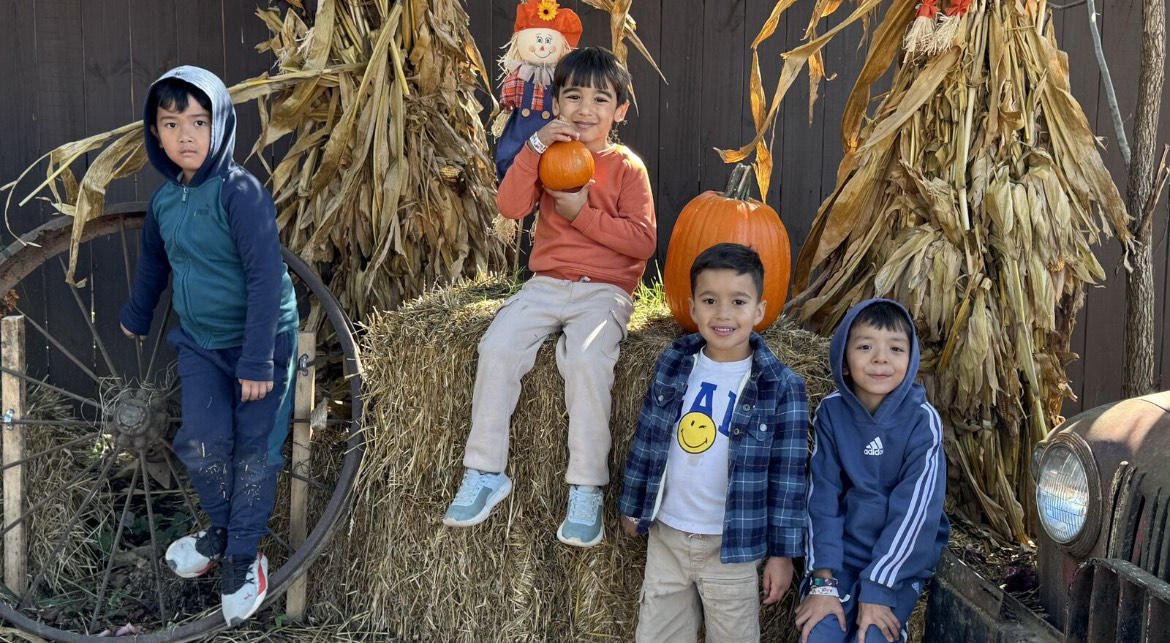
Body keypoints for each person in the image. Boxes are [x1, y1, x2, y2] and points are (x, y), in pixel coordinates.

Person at [443, 46, 656, 548]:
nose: (585, 109)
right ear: (556, 102)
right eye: (573, 96)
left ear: (619, 110)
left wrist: (582, 213)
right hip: (544, 285)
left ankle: (586, 487)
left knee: (585, 362)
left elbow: (642, 242)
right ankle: (485, 471)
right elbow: (510, 206)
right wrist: (534, 147)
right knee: (496, 349)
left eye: (600, 99)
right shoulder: (548, 155)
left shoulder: (627, 168)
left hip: (603, 292)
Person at [119, 65, 298, 627]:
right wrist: (136, 313)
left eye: (200, 121)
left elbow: (266, 277)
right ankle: (221, 532)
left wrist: (255, 360)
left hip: (260, 342)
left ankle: (244, 558)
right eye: (172, 124)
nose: (187, 136)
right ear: (156, 132)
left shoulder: (239, 193)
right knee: (200, 439)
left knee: (253, 447)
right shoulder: (166, 202)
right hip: (199, 343)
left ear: (220, 124)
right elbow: (154, 260)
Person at [619, 243, 809, 642]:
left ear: (759, 310)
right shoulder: (674, 362)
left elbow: (788, 479)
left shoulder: (781, 385)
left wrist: (782, 554)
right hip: (667, 535)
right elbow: (649, 437)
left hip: (732, 547)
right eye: (710, 300)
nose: (723, 314)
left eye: (738, 301)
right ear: (692, 307)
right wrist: (633, 504)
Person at [794, 299, 949, 643]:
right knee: (818, 635)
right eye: (865, 346)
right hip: (841, 560)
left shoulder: (922, 422)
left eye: (895, 348)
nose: (881, 358)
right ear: (844, 360)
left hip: (897, 563)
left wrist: (878, 587)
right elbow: (821, 499)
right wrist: (823, 580)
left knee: (874, 636)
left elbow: (916, 514)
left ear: (910, 361)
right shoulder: (832, 413)